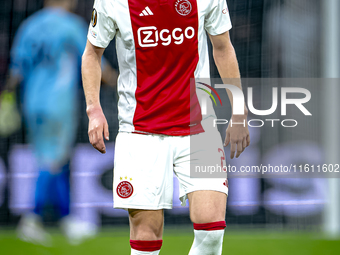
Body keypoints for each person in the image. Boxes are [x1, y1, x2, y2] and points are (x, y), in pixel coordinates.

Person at [82, 0, 250, 254]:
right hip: (140, 132)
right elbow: (92, 53)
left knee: (212, 228)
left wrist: (239, 111)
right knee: (146, 236)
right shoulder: (113, 2)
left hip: (199, 127)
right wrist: (94, 109)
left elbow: (223, 47)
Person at [3, 0, 117, 246]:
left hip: (32, 102)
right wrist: (122, 84)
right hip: (59, 102)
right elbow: (95, 62)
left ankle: (67, 219)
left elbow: (16, 70)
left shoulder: (29, 25)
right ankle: (31, 219)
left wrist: (7, 100)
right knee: (52, 160)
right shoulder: (71, 26)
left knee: (54, 159)